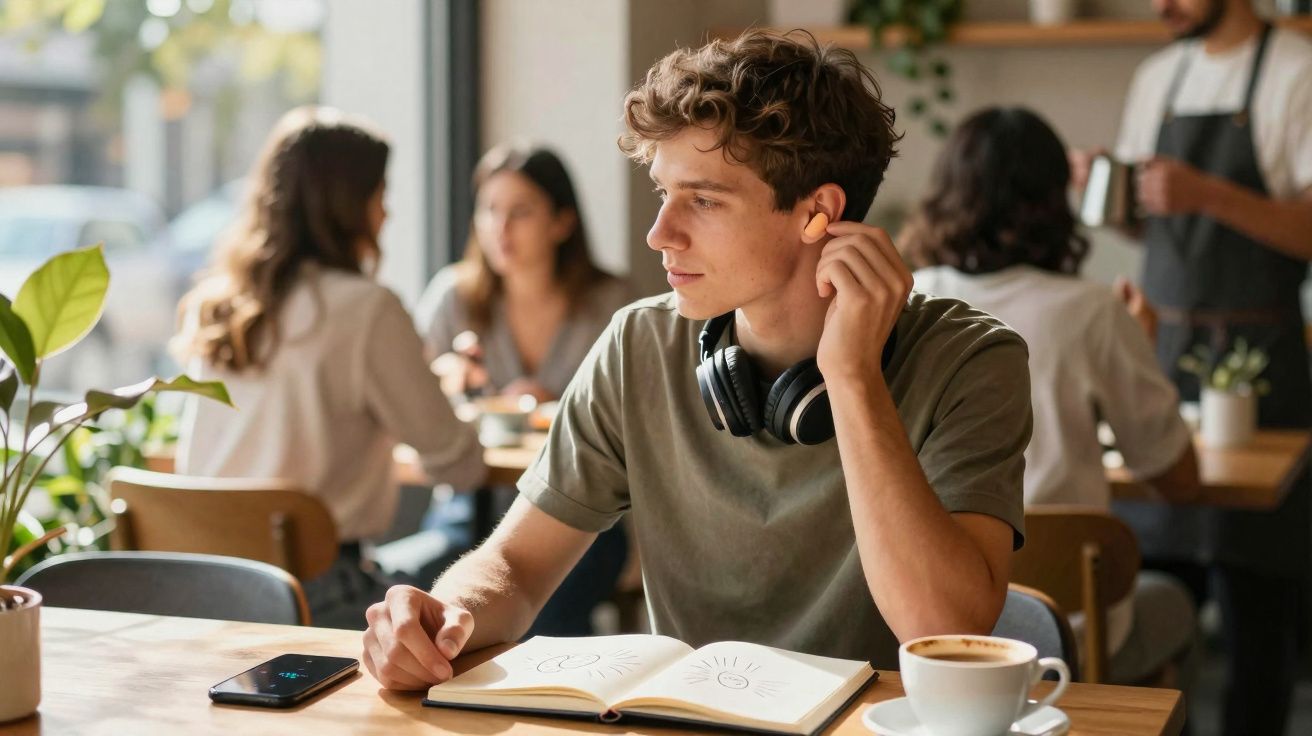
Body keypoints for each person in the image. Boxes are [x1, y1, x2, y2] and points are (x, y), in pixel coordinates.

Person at [361, 29, 1033, 691]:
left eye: (704, 200)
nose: (659, 234)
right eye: (663, 193)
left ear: (817, 213)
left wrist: (852, 378)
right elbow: (514, 567)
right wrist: (443, 618)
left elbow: (941, 629)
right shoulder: (640, 345)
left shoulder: (971, 360)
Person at [1071, 1, 1312, 732]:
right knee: (1152, 574)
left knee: (1257, 601)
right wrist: (1101, 194)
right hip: (1162, 353)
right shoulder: (1157, 76)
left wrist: (1207, 192)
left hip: (1262, 358)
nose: (1157, 5)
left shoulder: (1299, 69)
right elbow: (1149, 223)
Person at [904, 106, 1201, 685]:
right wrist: (1140, 352)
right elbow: (1177, 477)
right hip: (1065, 633)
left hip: (924, 628)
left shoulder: (907, 302)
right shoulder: (1093, 312)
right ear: (1054, 200)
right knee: (1174, 603)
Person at [173, 106, 487, 627]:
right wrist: (451, 405)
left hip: (201, 597)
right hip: (314, 599)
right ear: (349, 206)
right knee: (472, 568)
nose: (386, 215)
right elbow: (460, 465)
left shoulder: (219, 305)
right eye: (380, 197)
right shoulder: (366, 308)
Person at [414, 143, 631, 636]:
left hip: (584, 521)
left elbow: (634, 422)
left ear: (562, 222)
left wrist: (555, 405)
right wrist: (449, 381)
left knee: (549, 615)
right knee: (435, 602)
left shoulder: (611, 304)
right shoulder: (454, 297)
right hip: (467, 510)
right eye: (489, 210)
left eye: (521, 212)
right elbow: (418, 403)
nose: (500, 228)